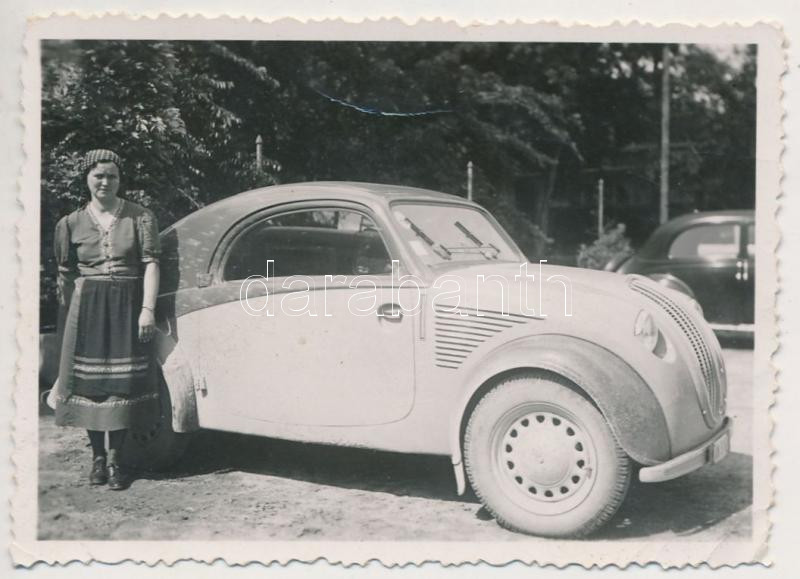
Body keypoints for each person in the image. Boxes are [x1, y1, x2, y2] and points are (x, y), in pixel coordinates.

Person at [51, 149, 161, 490]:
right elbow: (65, 274)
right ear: (86, 178)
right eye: (98, 175)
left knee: (121, 382)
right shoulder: (70, 223)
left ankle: (116, 460)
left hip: (128, 304)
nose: (105, 182)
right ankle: (97, 458)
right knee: (90, 383)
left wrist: (147, 309)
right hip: (86, 307)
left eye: (112, 175)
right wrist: (68, 318)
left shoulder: (140, 217)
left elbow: (151, 264)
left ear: (120, 179)